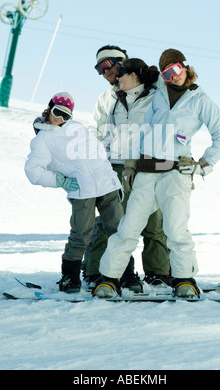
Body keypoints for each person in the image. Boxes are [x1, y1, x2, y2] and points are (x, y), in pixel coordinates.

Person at [93, 49, 220, 299]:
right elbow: (144, 130)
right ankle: (109, 279)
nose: (172, 76)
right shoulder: (159, 94)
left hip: (176, 173)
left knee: (176, 230)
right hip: (146, 172)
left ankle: (184, 280)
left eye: (175, 70)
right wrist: (132, 164)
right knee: (128, 228)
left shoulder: (200, 100)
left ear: (186, 68)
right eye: (166, 73)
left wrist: (203, 165)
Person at [83, 46, 171, 291]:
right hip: (116, 165)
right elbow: (97, 130)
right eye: (99, 69)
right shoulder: (107, 97)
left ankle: (158, 273)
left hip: (151, 165)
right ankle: (98, 271)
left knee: (154, 222)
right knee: (110, 222)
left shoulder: (156, 90)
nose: (105, 72)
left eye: (108, 65)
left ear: (124, 64)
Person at [24, 91, 126, 293]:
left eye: (66, 115)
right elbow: (32, 171)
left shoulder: (79, 129)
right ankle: (70, 277)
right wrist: (59, 180)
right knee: (81, 234)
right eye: (57, 112)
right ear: (49, 108)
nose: (60, 119)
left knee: (118, 231)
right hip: (82, 191)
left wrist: (116, 183)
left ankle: (125, 274)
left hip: (107, 187)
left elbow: (99, 157)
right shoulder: (43, 138)